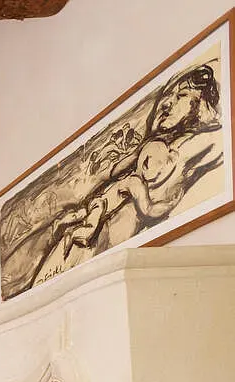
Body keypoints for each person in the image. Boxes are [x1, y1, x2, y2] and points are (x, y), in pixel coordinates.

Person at [24, 63, 224, 291]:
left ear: (202, 103)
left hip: (109, 249)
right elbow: (121, 178)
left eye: (181, 95)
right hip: (95, 237)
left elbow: (155, 209)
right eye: (169, 96)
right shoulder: (153, 150)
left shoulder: (209, 142)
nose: (167, 103)